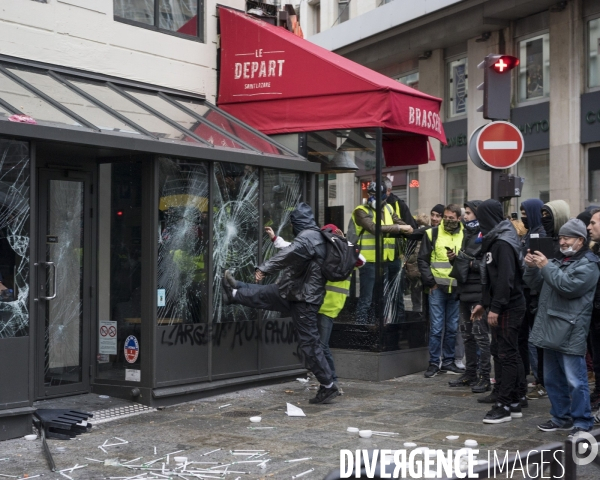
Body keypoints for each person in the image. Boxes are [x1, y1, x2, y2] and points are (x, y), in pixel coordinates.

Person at [221, 202, 338, 404]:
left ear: (297, 223)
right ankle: (234, 291)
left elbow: (288, 254)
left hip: (304, 300)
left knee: (310, 344)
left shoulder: (308, 238)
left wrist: (265, 268)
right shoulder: (316, 236)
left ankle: (328, 385)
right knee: (267, 294)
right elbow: (290, 249)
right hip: (294, 292)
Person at [261, 223, 365, 388]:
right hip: (315, 304)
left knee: (321, 346)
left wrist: (344, 241)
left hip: (328, 307)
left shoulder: (345, 254)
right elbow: (293, 248)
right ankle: (327, 379)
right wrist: (275, 238)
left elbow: (361, 260)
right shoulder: (322, 251)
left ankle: (332, 381)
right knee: (315, 344)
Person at [524, 219, 599, 436]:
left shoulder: (589, 264)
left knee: (576, 381)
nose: (562, 241)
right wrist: (531, 268)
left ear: (580, 240)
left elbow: (567, 287)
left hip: (570, 329)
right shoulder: (557, 259)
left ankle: (583, 422)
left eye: (567, 238)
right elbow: (536, 284)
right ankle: (561, 417)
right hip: (550, 327)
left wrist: (545, 266)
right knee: (552, 379)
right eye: (560, 237)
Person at [471, 199, 527, 424]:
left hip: (509, 305)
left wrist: (495, 307)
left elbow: (506, 279)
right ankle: (512, 399)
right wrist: (484, 303)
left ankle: (505, 404)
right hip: (502, 304)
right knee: (502, 350)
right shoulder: (493, 241)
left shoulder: (502, 242)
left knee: (506, 353)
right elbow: (491, 278)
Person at [352, 181, 413, 324]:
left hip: (386, 258)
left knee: (381, 298)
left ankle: (377, 326)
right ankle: (360, 328)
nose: (373, 198)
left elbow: (401, 223)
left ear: (385, 195)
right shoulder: (361, 210)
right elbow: (374, 228)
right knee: (366, 298)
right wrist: (400, 228)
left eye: (377, 195)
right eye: (371, 194)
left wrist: (408, 228)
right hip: (368, 261)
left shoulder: (389, 209)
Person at [447, 201, 491, 393]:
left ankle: (485, 376)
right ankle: (470, 373)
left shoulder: (486, 235)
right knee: (467, 336)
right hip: (464, 291)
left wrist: (468, 263)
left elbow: (486, 264)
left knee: (480, 336)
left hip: (478, 293)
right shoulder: (468, 233)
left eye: (469, 213)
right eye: (465, 213)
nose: (465, 216)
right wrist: (455, 260)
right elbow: (467, 260)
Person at [418, 204, 465, 377]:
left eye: (451, 218)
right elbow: (422, 260)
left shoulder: (464, 234)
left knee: (452, 327)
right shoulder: (433, 233)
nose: (447, 220)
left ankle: (448, 361)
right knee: (437, 328)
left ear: (459, 219)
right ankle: (433, 363)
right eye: (445, 217)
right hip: (437, 287)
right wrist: (431, 282)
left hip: (456, 288)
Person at [518, 198, 547, 401]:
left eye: (526, 213)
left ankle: (541, 380)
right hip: (527, 291)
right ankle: (538, 378)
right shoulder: (530, 232)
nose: (523, 217)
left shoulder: (539, 234)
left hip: (534, 293)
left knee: (534, 339)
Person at [383, 177, 417, 323]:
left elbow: (412, 230)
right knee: (381, 296)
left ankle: (398, 326)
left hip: (396, 258)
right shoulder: (371, 207)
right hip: (378, 258)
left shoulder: (398, 205)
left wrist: (406, 256)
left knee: (397, 296)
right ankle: (382, 324)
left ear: (388, 191)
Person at [585, 209, 600, 409]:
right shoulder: (594, 251)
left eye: (593, 223)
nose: (589, 227)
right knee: (596, 359)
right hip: (594, 316)